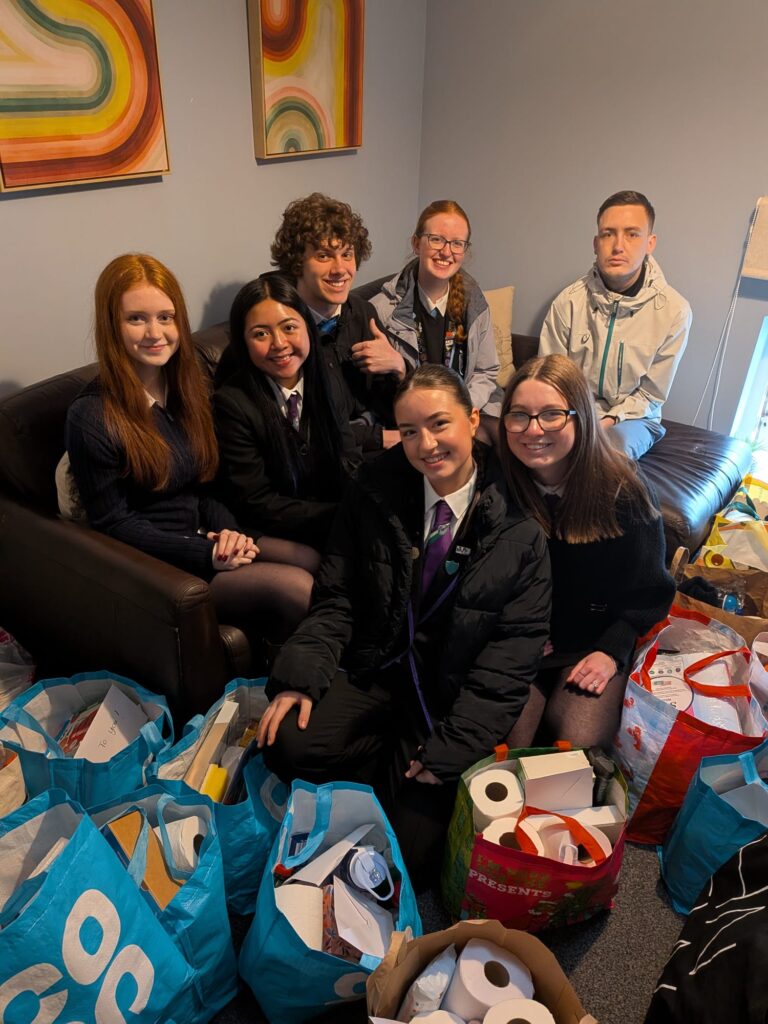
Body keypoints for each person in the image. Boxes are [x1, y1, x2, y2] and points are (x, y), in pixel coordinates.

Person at [256, 364, 550, 887]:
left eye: (440, 424)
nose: (426, 444)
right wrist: (300, 677)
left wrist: (455, 747)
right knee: (286, 743)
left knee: (411, 857)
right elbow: (338, 594)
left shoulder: (518, 527)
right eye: (410, 431)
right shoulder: (376, 486)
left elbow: (509, 660)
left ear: (473, 420)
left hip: (445, 692)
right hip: (377, 665)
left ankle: (398, 773)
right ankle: (382, 768)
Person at [66, 254, 315, 634]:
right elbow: (113, 524)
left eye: (165, 317)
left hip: (208, 537)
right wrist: (207, 553)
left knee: (311, 557)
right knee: (298, 587)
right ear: (111, 326)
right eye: (137, 318)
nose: (155, 332)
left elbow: (207, 485)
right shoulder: (91, 416)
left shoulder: (187, 385)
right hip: (163, 566)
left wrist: (228, 532)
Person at [499, 354, 676, 750]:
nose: (533, 430)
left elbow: (649, 592)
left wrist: (612, 650)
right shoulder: (501, 484)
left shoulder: (624, 490)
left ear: (580, 417)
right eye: (519, 415)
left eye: (551, 415)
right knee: (504, 741)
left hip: (591, 638)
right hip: (521, 637)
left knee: (577, 740)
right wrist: (512, 632)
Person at [213, 275, 360, 555]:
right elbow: (255, 501)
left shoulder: (325, 378)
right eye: (260, 334)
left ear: (308, 328)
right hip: (266, 527)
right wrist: (338, 517)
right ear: (243, 343)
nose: (279, 343)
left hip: (328, 515)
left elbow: (347, 455)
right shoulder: (232, 404)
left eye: (289, 327)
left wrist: (364, 503)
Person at [539, 190, 692, 460]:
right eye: (608, 234)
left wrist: (605, 422)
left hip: (633, 419)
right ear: (596, 243)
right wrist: (573, 419)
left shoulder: (674, 311)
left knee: (604, 457)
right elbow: (550, 379)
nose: (618, 245)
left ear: (650, 242)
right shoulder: (568, 302)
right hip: (572, 412)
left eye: (632, 234)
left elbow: (650, 395)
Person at [270, 192, 405, 451]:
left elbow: (392, 404)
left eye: (347, 254)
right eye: (324, 256)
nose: (340, 269)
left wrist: (399, 368)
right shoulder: (284, 332)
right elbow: (304, 431)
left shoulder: (363, 312)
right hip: (337, 464)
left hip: (382, 451)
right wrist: (383, 438)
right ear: (298, 262)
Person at [369, 199, 501, 417]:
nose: (446, 252)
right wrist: (402, 369)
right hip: (411, 419)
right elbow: (376, 396)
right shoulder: (381, 311)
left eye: (457, 243)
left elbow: (485, 371)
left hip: (465, 413)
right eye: (436, 240)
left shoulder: (476, 305)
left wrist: (459, 411)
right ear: (416, 243)